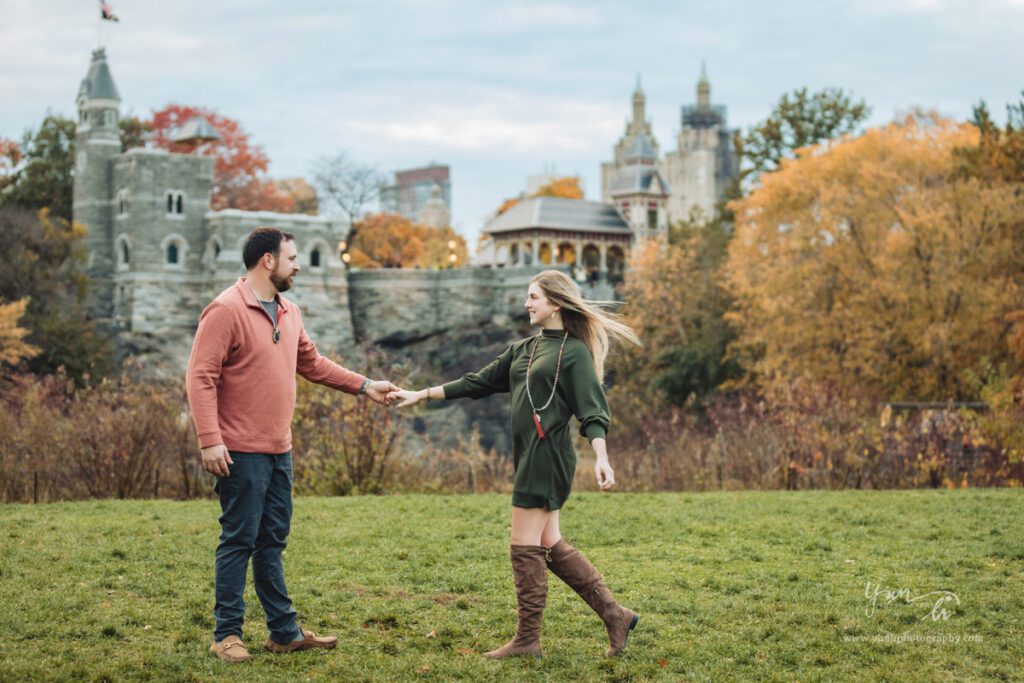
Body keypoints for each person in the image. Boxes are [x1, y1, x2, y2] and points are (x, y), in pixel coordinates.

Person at [393, 269, 642, 658]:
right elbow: (477, 381)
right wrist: (421, 393)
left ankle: (527, 641)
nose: (527, 304)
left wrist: (603, 458)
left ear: (555, 303)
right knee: (549, 542)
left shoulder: (573, 353)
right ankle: (616, 616)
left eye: (533, 297)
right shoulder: (525, 348)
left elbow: (593, 411)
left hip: (549, 457)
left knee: (523, 546)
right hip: (528, 453)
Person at [186, 227, 398, 663]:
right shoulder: (226, 309)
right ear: (268, 260)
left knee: (272, 541)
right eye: (292, 258)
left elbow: (313, 364)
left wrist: (365, 385)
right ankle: (226, 634)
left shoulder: (289, 311)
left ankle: (283, 631)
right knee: (238, 540)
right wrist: (210, 440)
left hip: (279, 450)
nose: (298, 265)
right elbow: (200, 377)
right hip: (239, 451)